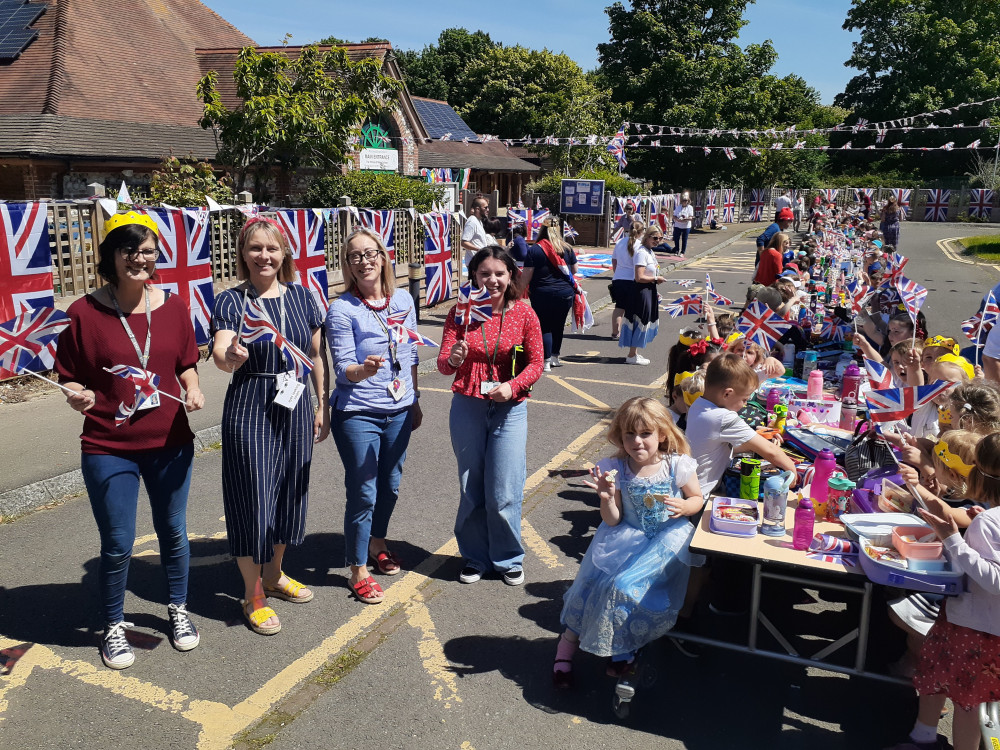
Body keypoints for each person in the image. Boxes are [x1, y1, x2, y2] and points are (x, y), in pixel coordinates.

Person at [56, 211, 205, 669]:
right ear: (111, 255)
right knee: (119, 542)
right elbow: (69, 378)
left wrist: (193, 387)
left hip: (170, 441)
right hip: (108, 444)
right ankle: (113, 624)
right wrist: (75, 395)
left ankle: (177, 609)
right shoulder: (84, 312)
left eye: (146, 249)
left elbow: (185, 362)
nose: (139, 258)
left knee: (173, 532)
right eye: (128, 249)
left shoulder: (175, 306)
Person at [211, 217, 328, 636]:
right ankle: (252, 593)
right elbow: (221, 350)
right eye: (255, 248)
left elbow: (315, 356)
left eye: (272, 248)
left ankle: (275, 575)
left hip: (295, 403)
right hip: (250, 403)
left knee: (290, 492)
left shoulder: (304, 296)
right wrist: (230, 357)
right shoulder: (232, 300)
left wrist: (321, 404)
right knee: (252, 496)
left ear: (284, 254)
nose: (264, 256)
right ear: (243, 254)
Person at [552, 397, 704, 686]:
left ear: (662, 434)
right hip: (624, 537)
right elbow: (613, 519)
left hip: (664, 539)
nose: (637, 442)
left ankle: (623, 648)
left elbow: (696, 497)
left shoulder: (677, 465)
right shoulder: (615, 467)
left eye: (645, 434)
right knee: (589, 587)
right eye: (629, 434)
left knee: (623, 588)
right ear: (620, 436)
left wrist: (687, 507)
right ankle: (565, 649)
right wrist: (607, 499)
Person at [327, 228, 423, 605]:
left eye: (371, 253)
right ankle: (357, 569)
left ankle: (377, 541)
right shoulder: (342, 308)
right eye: (355, 256)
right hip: (357, 412)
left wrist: (414, 401)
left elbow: (412, 354)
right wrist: (362, 371)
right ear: (348, 266)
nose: (364, 261)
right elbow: (342, 369)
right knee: (364, 490)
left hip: (398, 409)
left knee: (392, 483)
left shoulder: (402, 299)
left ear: (384, 257)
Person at [438, 246, 544, 586]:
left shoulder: (525, 314)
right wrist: (454, 358)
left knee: (505, 489)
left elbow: (537, 363)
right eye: (485, 274)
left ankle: (508, 557)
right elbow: (442, 364)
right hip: (468, 404)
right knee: (472, 487)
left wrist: (512, 387)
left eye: (499, 273)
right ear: (474, 277)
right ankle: (475, 556)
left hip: (509, 408)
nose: (493, 280)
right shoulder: (460, 313)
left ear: (510, 275)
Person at [886, 433, 1000, 750]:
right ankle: (922, 737)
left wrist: (952, 538)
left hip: (979, 628)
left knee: (967, 701)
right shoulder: (989, 519)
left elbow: (994, 579)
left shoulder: (990, 522)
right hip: (967, 619)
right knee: (934, 677)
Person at [686, 354, 797, 498]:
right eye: (744, 399)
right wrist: (792, 470)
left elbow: (718, 445)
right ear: (727, 393)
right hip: (703, 494)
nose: (745, 405)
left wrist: (758, 439)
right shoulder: (723, 417)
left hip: (693, 487)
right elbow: (771, 451)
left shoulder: (699, 405)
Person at [521, 220, 579, 372]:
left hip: (542, 293)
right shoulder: (566, 248)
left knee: (544, 326)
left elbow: (526, 275)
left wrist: (517, 293)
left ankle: (545, 360)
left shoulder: (535, 250)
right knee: (558, 325)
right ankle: (555, 356)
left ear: (542, 230)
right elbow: (574, 270)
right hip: (564, 293)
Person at [620, 225, 667, 365]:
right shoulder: (641, 252)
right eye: (654, 238)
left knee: (643, 320)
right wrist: (655, 279)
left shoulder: (649, 251)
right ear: (647, 237)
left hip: (649, 289)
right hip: (641, 291)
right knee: (639, 321)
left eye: (660, 238)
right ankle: (631, 355)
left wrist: (655, 281)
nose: (657, 240)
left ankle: (634, 353)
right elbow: (638, 277)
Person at [610, 221, 644, 339]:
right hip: (633, 279)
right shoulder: (640, 245)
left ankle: (615, 333)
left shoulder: (619, 242)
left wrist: (617, 273)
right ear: (641, 232)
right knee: (633, 309)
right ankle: (630, 334)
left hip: (618, 278)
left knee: (619, 307)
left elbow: (614, 261)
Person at [461, 196, 491, 266]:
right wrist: (479, 250)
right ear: (477, 209)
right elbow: (464, 242)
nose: (488, 210)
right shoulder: (472, 222)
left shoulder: (479, 221)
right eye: (485, 207)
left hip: (480, 261)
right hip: (474, 262)